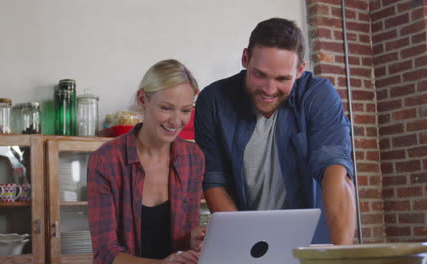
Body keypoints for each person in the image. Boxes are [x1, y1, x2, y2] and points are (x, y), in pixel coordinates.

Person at [194, 17, 356, 245]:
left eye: (282, 79)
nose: (269, 90)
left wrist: (341, 257)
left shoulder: (318, 96)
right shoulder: (213, 101)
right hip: (248, 241)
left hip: (313, 246)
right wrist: (249, 249)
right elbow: (214, 183)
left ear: (300, 70)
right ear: (245, 58)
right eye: (260, 75)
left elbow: (337, 176)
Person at [88, 59, 205, 264]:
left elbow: (185, 233)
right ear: (143, 99)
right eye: (167, 108)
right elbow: (105, 252)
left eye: (186, 110)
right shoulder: (105, 161)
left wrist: (192, 238)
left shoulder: (193, 158)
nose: (177, 121)